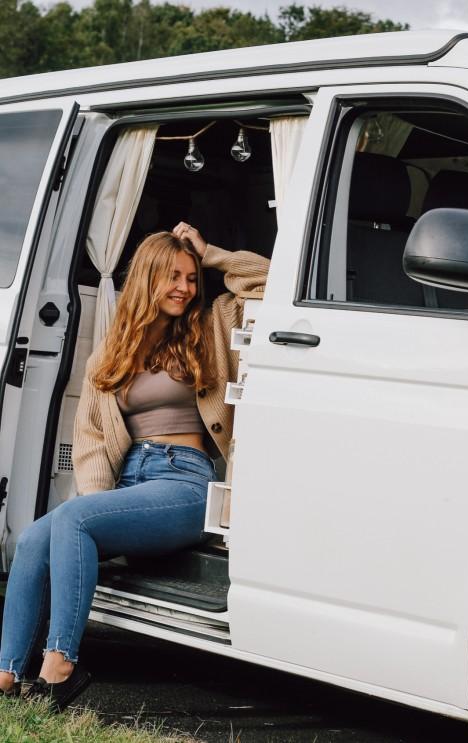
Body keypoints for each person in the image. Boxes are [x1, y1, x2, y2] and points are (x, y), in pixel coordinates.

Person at [0, 224, 269, 710]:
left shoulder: (212, 323)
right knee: (34, 537)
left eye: (190, 277)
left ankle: (60, 665)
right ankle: (8, 673)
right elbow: (92, 440)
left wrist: (212, 255)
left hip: (186, 481)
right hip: (130, 480)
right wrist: (95, 499)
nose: (185, 287)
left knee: (72, 518)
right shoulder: (113, 350)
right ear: (146, 278)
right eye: (173, 276)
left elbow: (267, 282)